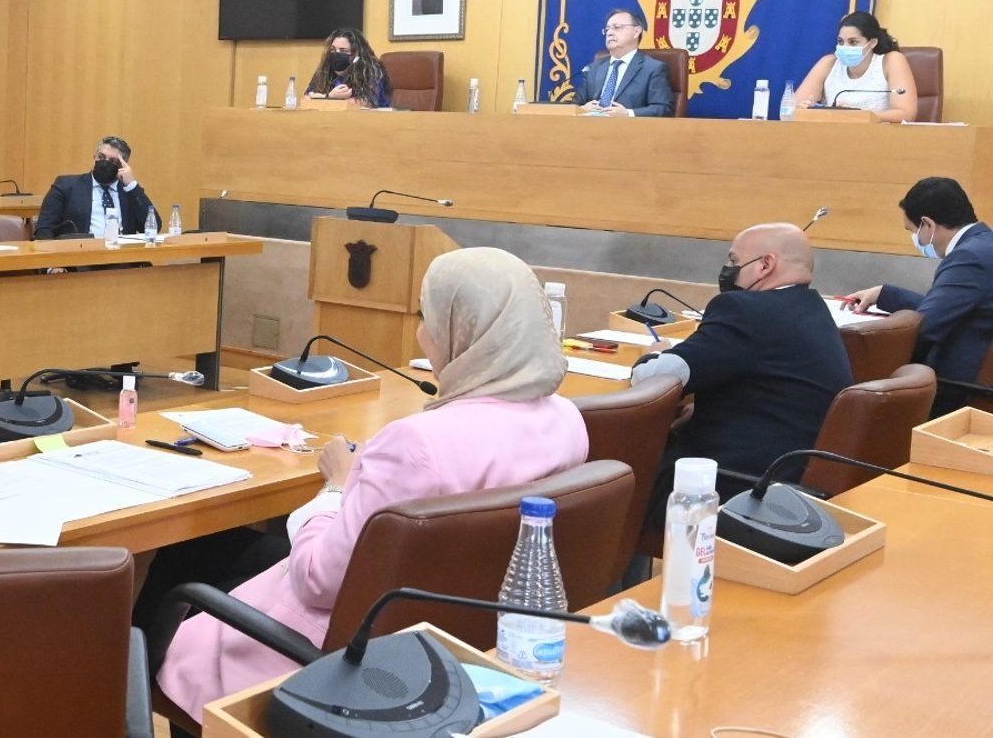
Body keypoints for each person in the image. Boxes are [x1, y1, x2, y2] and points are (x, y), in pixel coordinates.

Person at [152, 248, 587, 725]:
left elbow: (317, 581)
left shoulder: (417, 443)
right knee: (235, 550)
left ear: (462, 331)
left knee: (173, 579)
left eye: (428, 317)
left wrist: (338, 487)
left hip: (347, 662)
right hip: (463, 635)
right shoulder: (567, 419)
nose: (422, 333)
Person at [631, 223, 852, 495]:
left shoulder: (743, 310)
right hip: (787, 478)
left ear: (765, 265)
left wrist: (653, 353)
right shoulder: (813, 308)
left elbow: (654, 378)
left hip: (736, 486)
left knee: (616, 462)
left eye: (734, 260)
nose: (728, 268)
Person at [847, 177, 993, 416]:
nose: (916, 240)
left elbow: (925, 327)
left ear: (928, 224)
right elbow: (952, 309)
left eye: (913, 231)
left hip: (959, 392)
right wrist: (885, 294)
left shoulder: (970, 257)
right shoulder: (985, 245)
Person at [792, 11, 918, 122]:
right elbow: (791, 110)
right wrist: (806, 110)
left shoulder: (891, 61)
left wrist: (857, 116)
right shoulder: (829, 63)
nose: (845, 47)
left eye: (853, 42)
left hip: (878, 139)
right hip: (833, 138)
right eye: (841, 42)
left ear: (872, 43)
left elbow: (906, 113)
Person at [33, 136, 155, 240]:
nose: (105, 163)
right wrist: (52, 266)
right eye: (101, 157)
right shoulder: (66, 186)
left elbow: (153, 227)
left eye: (113, 161)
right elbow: (44, 229)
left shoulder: (130, 192)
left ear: (123, 166)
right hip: (79, 260)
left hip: (121, 260)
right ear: (94, 157)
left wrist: (131, 185)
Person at [573, 8, 675, 117]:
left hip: (630, 131)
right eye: (607, 29)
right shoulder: (593, 69)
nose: (610, 33)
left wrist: (628, 114)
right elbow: (573, 105)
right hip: (589, 130)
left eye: (617, 28)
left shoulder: (653, 68)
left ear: (636, 32)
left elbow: (663, 108)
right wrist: (582, 109)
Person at [303, 28, 389, 108]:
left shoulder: (371, 70)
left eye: (343, 51)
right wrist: (329, 97)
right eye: (333, 50)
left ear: (356, 54)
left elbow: (365, 102)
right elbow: (306, 99)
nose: (336, 55)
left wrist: (326, 99)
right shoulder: (326, 68)